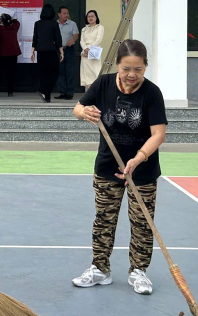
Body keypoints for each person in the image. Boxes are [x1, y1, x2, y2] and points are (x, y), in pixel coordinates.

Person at [71, 39, 167, 295]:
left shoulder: (152, 93)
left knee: (142, 223)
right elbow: (77, 107)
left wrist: (138, 158)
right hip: (107, 166)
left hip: (142, 171)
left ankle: (139, 272)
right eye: (126, 69)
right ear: (117, 65)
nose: (132, 75)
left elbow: (158, 134)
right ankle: (100, 269)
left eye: (138, 69)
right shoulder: (103, 84)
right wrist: (84, 113)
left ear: (146, 67)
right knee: (104, 219)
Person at [32, 4, 63, 103]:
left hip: (40, 51)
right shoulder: (54, 23)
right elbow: (58, 38)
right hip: (51, 50)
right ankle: (45, 91)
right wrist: (61, 51)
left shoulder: (38, 23)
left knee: (43, 73)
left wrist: (32, 51)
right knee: (54, 72)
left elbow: (35, 38)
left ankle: (46, 95)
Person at [0, 12, 21, 97]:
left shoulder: (0, 29)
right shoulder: (14, 28)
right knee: (11, 73)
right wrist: (12, 19)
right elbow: (17, 22)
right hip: (13, 53)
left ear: (2, 21)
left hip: (2, 54)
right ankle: (10, 92)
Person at [56, 6, 81, 100]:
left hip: (69, 49)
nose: (66, 15)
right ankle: (62, 92)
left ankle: (70, 93)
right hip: (58, 50)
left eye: (67, 13)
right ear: (59, 14)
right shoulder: (55, 24)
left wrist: (72, 40)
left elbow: (76, 35)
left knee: (70, 71)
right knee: (60, 71)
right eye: (64, 13)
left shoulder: (72, 23)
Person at [80, 10, 105, 88]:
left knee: (96, 72)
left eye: (92, 16)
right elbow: (82, 41)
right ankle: (90, 94)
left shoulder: (100, 27)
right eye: (88, 16)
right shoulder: (84, 29)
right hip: (85, 53)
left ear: (96, 17)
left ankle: (98, 93)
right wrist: (85, 49)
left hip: (94, 51)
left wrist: (89, 48)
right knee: (87, 74)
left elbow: (98, 40)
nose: (90, 18)